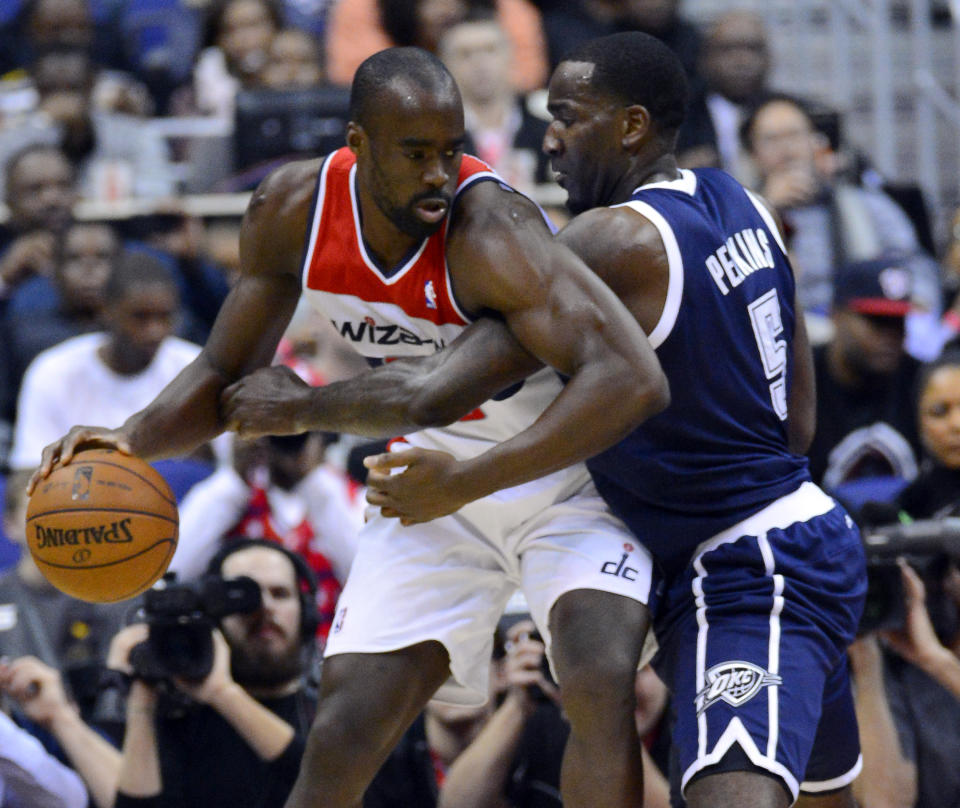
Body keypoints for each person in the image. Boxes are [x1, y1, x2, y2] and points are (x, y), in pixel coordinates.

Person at [32, 46, 668, 808]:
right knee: (344, 723)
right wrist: (128, 440)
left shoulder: (493, 226)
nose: (439, 173)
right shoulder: (292, 209)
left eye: (451, 150)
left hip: (559, 467)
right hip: (429, 479)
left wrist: (303, 406)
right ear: (358, 144)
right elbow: (223, 372)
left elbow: (617, 377)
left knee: (598, 679)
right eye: (416, 153)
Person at [354, 32, 868, 808]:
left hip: (740, 569)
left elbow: (442, 385)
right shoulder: (742, 201)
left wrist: (293, 405)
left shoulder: (612, 238)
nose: (550, 136)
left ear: (630, 127)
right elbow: (798, 423)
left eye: (566, 115)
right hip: (804, 536)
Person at [110, 539, 320, 808]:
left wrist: (223, 694)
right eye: (241, 597)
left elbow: (333, 786)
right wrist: (141, 703)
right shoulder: (181, 720)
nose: (264, 607)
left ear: (307, 614)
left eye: (279, 593)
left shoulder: (333, 713)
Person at [9, 250, 202, 473]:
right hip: (79, 500)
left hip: (182, 503)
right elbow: (27, 471)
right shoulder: (53, 369)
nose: (154, 331)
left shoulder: (194, 367)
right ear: (106, 310)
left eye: (165, 317)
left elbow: (233, 469)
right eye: (141, 316)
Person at [805, 257, 924, 491]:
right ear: (836, 315)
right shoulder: (798, 382)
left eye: (898, 321)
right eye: (877, 321)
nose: (891, 335)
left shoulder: (921, 381)